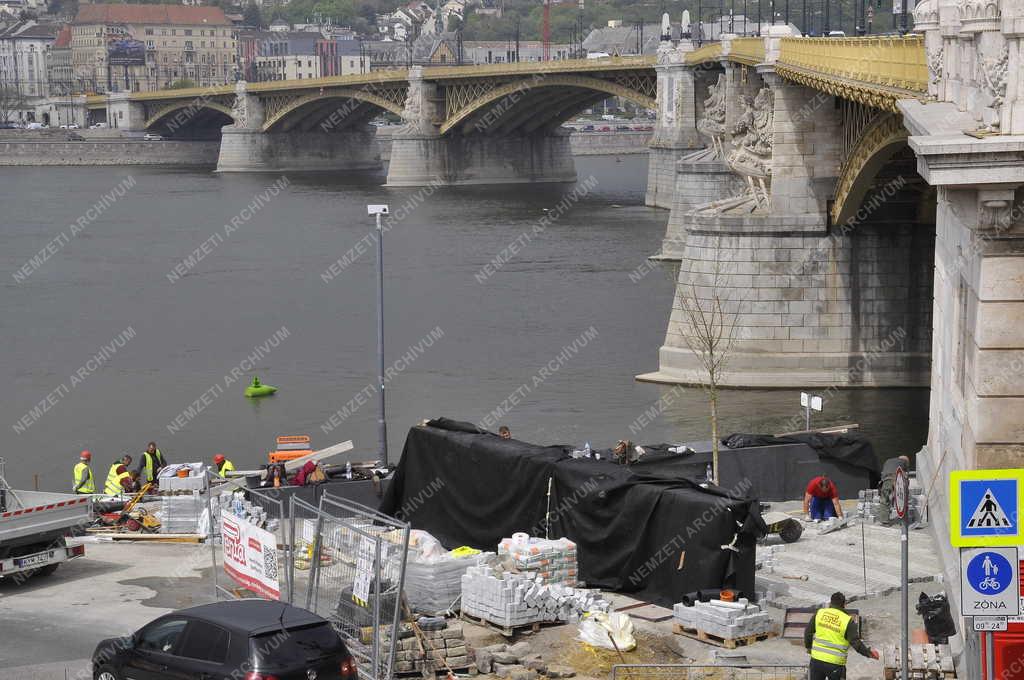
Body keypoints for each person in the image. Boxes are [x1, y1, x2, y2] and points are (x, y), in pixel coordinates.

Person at [805, 591, 880, 679]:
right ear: (844, 604)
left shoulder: (820, 613)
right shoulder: (847, 620)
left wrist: (809, 648)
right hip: (835, 664)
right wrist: (869, 653)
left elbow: (808, 633)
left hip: (816, 661)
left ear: (831, 602)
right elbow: (855, 642)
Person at [877, 455, 910, 522]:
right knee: (902, 499)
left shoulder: (888, 461)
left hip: (886, 480)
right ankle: (903, 520)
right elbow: (905, 475)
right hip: (897, 480)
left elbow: (883, 472)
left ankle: (884, 520)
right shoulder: (904, 462)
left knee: (884, 500)